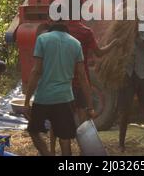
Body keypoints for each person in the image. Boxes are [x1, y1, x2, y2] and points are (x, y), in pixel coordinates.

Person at [49, 0, 119, 155]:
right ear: (81, 10)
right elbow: (99, 52)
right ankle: (83, 151)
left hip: (60, 81)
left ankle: (52, 151)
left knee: (56, 119)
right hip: (79, 82)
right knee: (83, 120)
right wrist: (113, 44)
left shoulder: (59, 31)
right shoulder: (85, 32)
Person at [24, 17, 96, 156]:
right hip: (65, 98)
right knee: (65, 138)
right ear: (66, 23)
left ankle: (47, 154)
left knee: (34, 131)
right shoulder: (75, 43)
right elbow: (82, 76)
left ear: (51, 22)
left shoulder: (42, 39)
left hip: (43, 97)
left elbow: (36, 71)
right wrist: (90, 106)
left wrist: (27, 101)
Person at [118, 27, 144, 153]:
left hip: (142, 73)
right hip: (127, 72)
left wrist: (136, 34)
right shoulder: (123, 21)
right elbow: (118, 44)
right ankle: (121, 144)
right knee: (125, 109)